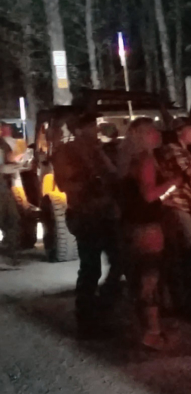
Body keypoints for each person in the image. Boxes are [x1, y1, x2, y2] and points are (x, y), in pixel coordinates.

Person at [52, 113, 122, 334]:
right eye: (91, 126)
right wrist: (91, 181)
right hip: (86, 215)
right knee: (91, 268)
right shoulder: (67, 152)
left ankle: (103, 308)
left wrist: (101, 155)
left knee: (120, 261)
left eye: (96, 126)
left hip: (107, 213)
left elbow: (114, 174)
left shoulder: (100, 149)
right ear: (79, 130)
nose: (95, 130)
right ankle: (86, 320)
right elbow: (66, 184)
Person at [117, 118, 180, 350]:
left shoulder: (127, 160)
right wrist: (172, 182)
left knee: (139, 277)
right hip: (147, 227)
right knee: (150, 279)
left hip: (131, 225)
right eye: (153, 130)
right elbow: (148, 195)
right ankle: (152, 333)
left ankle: (144, 329)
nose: (158, 133)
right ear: (144, 135)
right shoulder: (145, 160)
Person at [156, 117, 191, 313]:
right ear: (179, 131)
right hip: (176, 206)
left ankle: (177, 300)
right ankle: (179, 300)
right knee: (187, 250)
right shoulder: (172, 150)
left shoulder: (185, 151)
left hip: (187, 207)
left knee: (181, 255)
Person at [0, 123, 24, 266]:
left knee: (12, 218)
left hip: (4, 186)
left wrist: (19, 159)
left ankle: (9, 255)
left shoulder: (3, 143)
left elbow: (9, 158)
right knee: (10, 218)